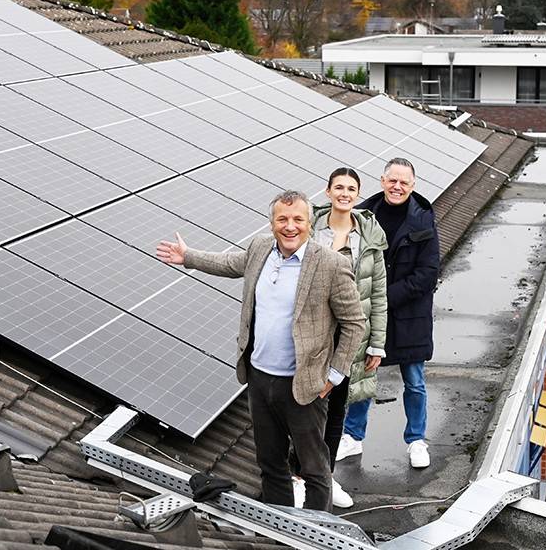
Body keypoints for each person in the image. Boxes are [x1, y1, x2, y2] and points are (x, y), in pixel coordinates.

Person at [156, 190, 365, 511]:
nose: (290, 226)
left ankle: (316, 531)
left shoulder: (331, 264)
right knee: (270, 464)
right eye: (282, 219)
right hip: (259, 378)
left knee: (314, 468)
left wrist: (334, 375)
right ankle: (279, 526)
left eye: (298, 219)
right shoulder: (260, 248)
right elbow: (230, 263)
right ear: (272, 223)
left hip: (304, 384)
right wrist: (189, 256)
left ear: (310, 223)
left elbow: (354, 323)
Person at [290, 167, 388, 509]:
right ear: (328, 192)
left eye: (351, 189)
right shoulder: (309, 230)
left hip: (350, 339)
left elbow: (378, 294)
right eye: (339, 188)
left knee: (335, 413)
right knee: (306, 410)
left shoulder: (370, 239)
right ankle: (298, 477)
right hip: (312, 336)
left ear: (358, 195)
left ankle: (324, 476)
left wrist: (377, 343)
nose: (345, 194)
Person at [336, 158, 440, 469]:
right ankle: (352, 436)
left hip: (409, 317)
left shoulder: (423, 221)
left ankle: (416, 440)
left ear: (413, 185)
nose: (397, 187)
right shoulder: (362, 217)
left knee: (414, 381)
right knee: (363, 377)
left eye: (403, 182)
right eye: (392, 181)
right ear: (382, 181)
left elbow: (427, 274)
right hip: (370, 315)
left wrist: (383, 296)